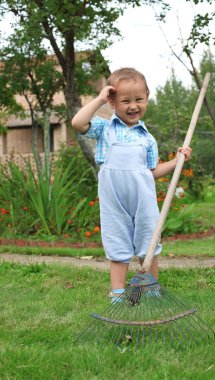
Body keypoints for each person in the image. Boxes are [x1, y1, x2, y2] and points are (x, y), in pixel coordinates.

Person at [72, 67, 192, 302]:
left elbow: (152, 172)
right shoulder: (105, 128)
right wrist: (99, 100)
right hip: (114, 200)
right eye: (125, 100)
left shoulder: (147, 138)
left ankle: (151, 287)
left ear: (147, 97)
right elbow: (78, 123)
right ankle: (117, 292)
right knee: (117, 240)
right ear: (113, 102)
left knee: (149, 239)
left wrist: (177, 161)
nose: (133, 105)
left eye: (139, 99)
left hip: (143, 197)